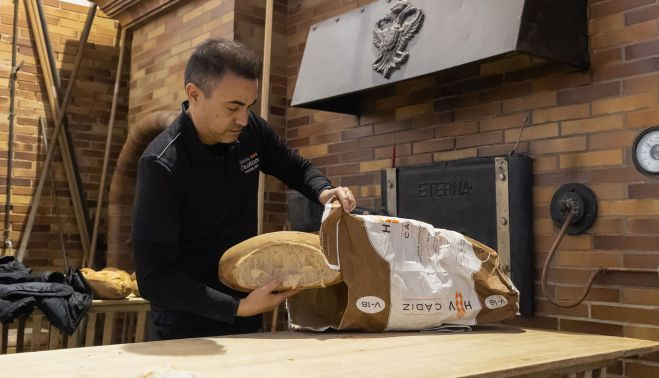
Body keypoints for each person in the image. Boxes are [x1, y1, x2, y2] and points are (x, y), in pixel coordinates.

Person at [131, 38, 356, 340]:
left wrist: (325, 192)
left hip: (248, 315)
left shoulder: (251, 132)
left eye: (249, 106)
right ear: (194, 94)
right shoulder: (161, 165)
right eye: (233, 107)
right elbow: (153, 279)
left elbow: (296, 168)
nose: (243, 119)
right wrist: (237, 307)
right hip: (186, 330)